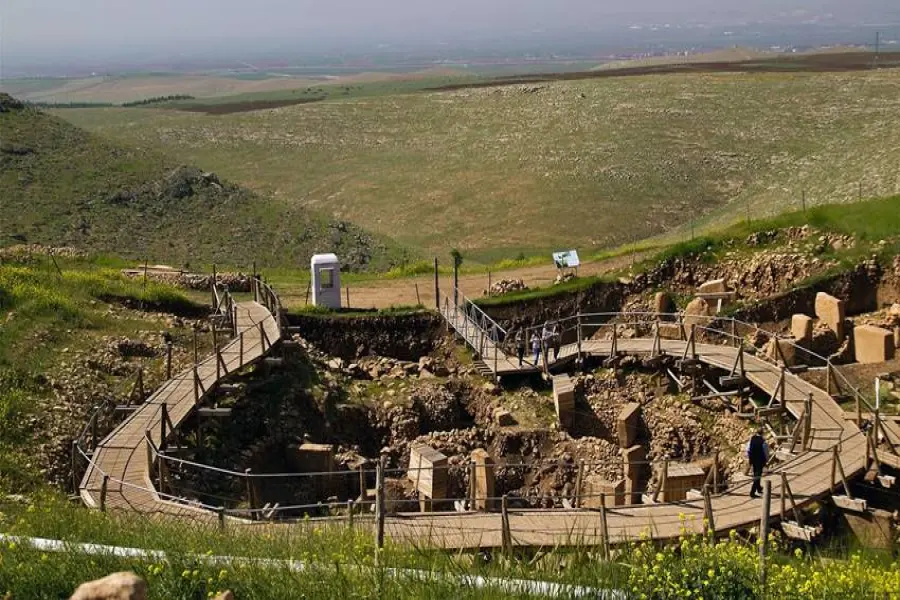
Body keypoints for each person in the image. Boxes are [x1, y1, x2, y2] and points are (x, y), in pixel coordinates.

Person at [746, 427, 769, 498]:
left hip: (753, 460)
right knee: (757, 475)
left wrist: (750, 458)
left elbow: (748, 449)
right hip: (760, 460)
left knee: (756, 474)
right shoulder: (763, 442)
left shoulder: (752, 439)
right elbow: (766, 452)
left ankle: (758, 488)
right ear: (762, 433)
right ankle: (752, 492)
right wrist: (766, 460)